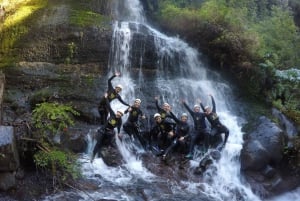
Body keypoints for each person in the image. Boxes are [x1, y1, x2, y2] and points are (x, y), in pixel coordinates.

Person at [91, 93, 124, 163]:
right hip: (103, 130)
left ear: (121, 115)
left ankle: (104, 153)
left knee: (109, 141)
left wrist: (118, 133)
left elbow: (119, 127)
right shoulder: (112, 114)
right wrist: (106, 98)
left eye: (121, 114)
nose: (119, 114)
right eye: (119, 113)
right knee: (98, 143)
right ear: (117, 112)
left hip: (109, 132)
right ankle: (93, 156)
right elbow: (108, 106)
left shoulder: (120, 121)